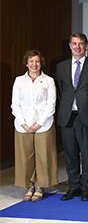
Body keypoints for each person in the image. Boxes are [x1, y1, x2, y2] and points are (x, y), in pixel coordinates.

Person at [56, 33, 88, 202]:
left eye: (81, 44)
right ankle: (73, 186)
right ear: (70, 46)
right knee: (70, 154)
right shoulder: (61, 67)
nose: (77, 47)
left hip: (87, 117)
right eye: (74, 44)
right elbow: (62, 91)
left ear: (86, 46)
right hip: (68, 116)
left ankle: (86, 188)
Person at [11, 50, 58, 201]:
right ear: (26, 63)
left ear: (41, 63)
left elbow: (51, 104)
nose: (34, 64)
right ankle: (29, 186)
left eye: (37, 61)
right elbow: (15, 104)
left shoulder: (48, 80)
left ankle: (40, 186)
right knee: (25, 157)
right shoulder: (19, 81)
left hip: (43, 125)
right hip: (23, 125)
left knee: (43, 157)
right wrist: (24, 123)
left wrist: (38, 124)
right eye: (31, 61)